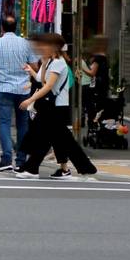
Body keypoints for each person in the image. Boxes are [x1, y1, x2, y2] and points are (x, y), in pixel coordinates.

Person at [17, 33, 96, 179]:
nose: (40, 48)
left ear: (53, 47)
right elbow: (41, 80)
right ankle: (70, 169)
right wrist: (32, 71)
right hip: (50, 106)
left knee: (45, 137)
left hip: (56, 106)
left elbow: (48, 87)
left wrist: (30, 100)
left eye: (43, 46)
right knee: (59, 138)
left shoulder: (59, 62)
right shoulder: (49, 61)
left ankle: (31, 167)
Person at [0, 15, 37, 172]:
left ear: (2, 28)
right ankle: (21, 160)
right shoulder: (25, 44)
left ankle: (6, 158)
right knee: (23, 124)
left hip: (4, 89)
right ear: (16, 27)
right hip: (23, 89)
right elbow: (34, 66)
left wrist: (1, 67)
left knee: (5, 123)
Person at [81, 38, 111, 126]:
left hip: (97, 87)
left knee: (92, 105)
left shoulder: (98, 59)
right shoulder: (105, 57)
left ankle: (93, 122)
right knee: (101, 105)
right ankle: (101, 124)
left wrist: (82, 68)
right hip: (104, 85)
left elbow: (92, 73)